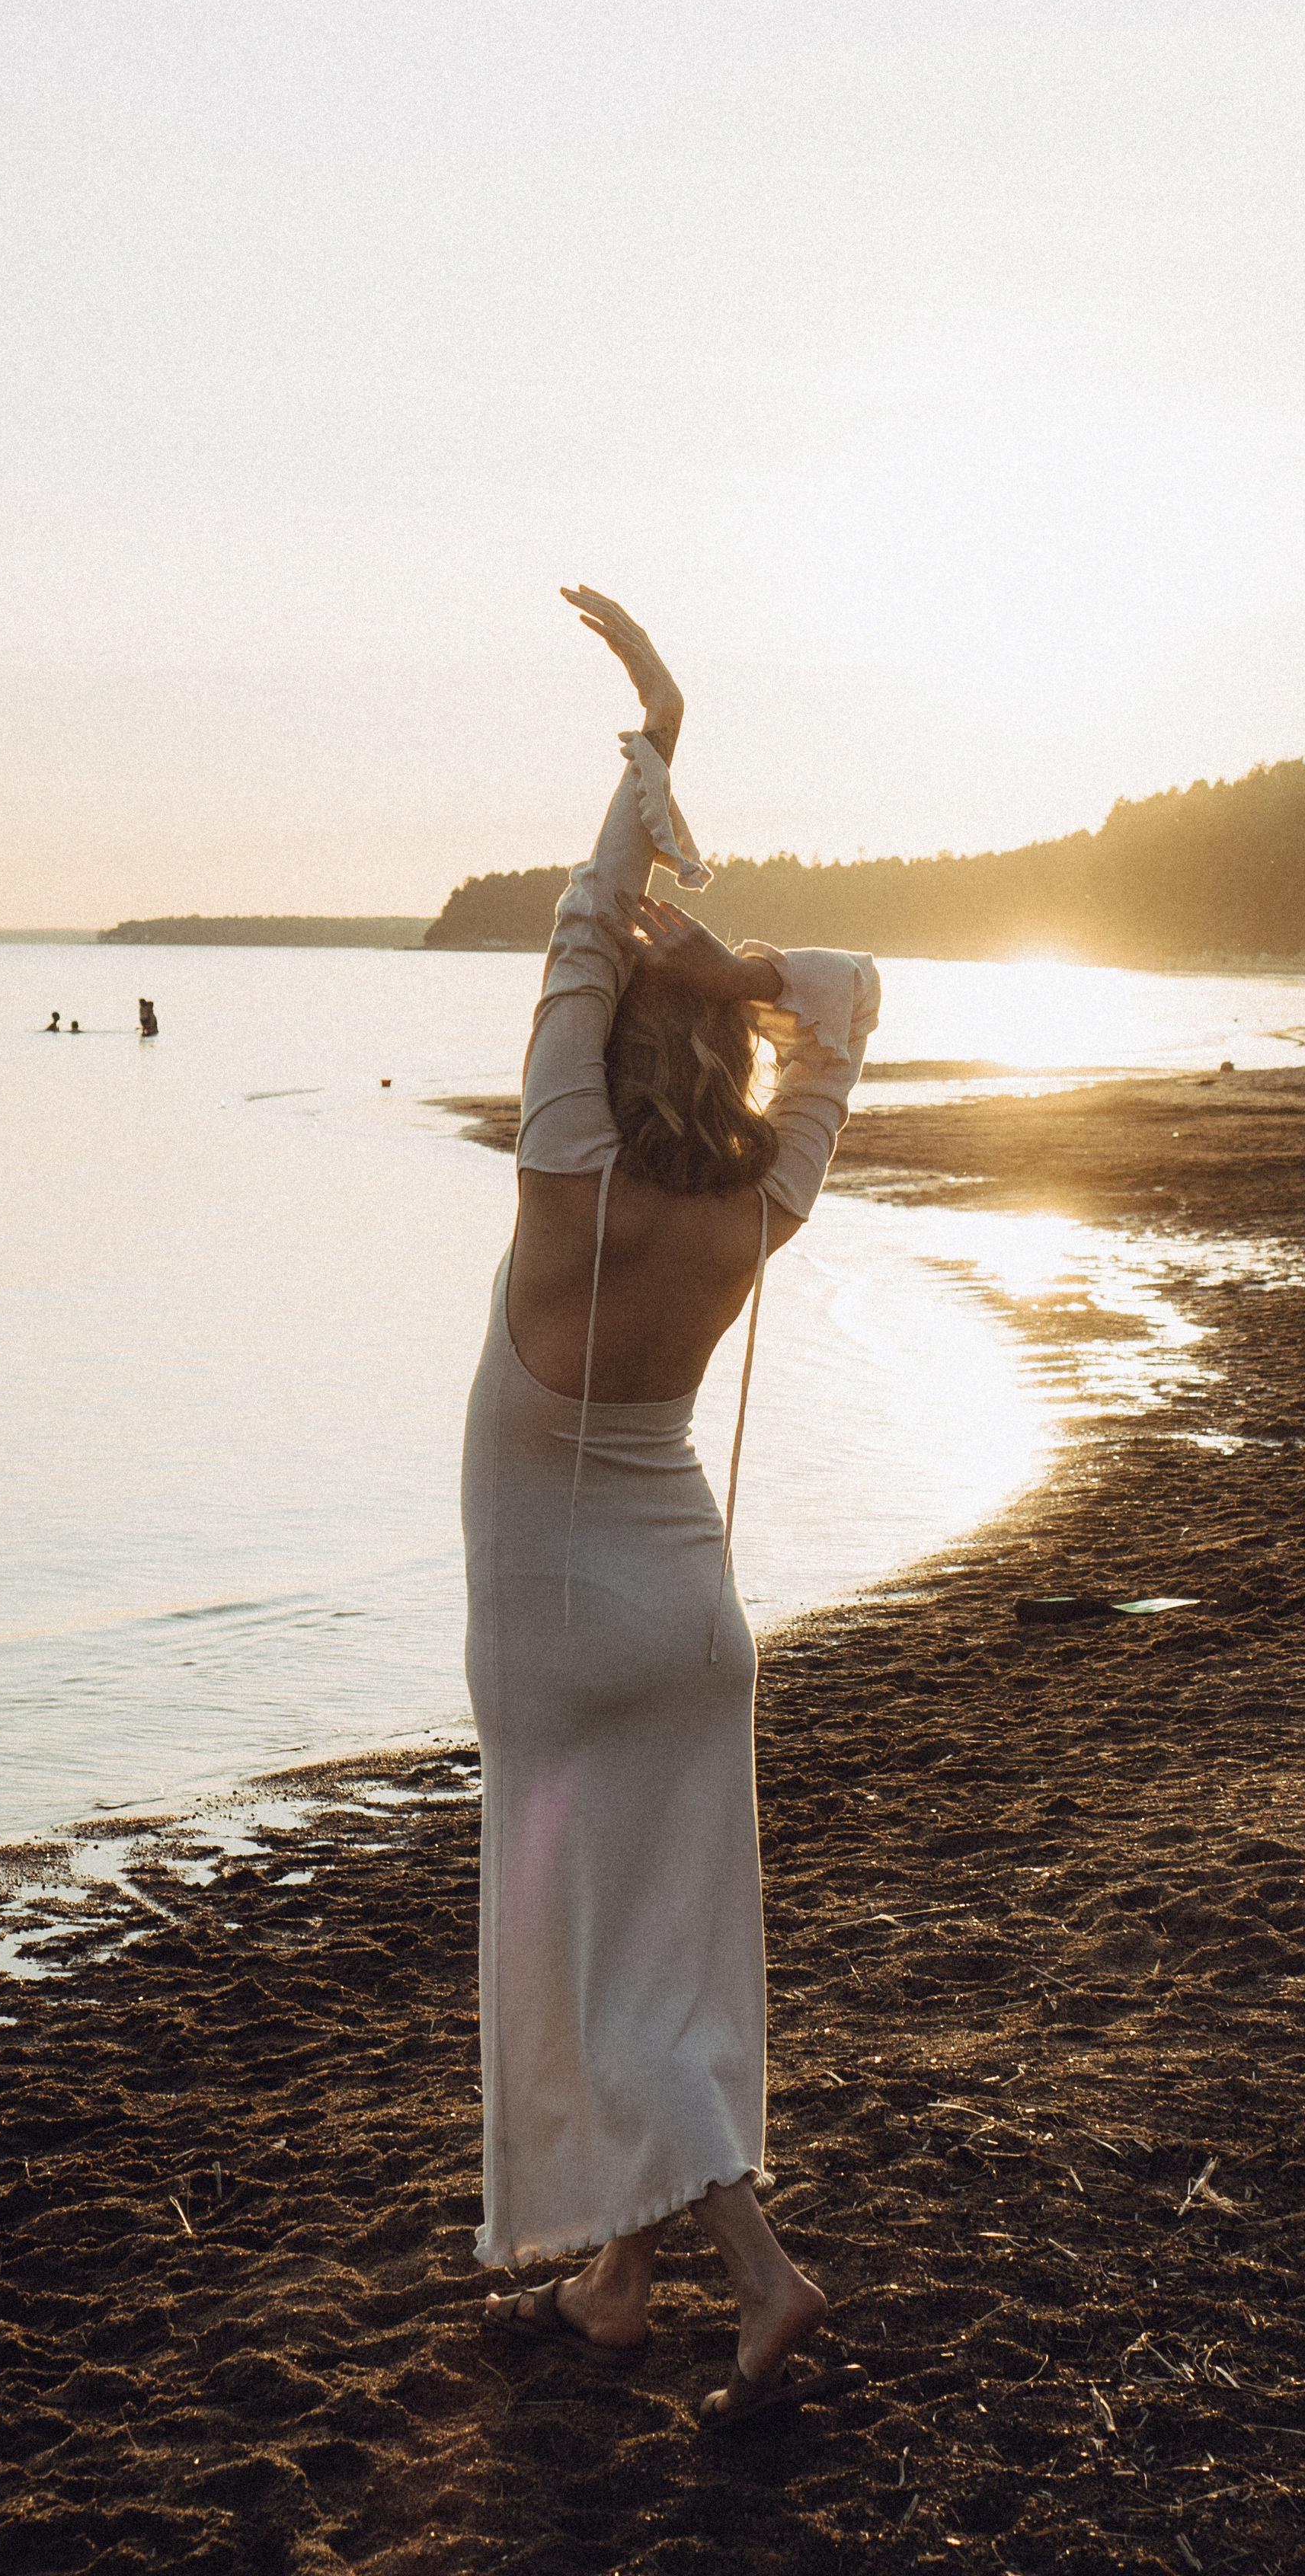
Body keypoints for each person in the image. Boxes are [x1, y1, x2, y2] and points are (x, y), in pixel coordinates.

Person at [465, 585, 879, 2427]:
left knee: (599, 1976)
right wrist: (731, 971)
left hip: (559, 1632)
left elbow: (579, 920)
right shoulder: (755, 1201)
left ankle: (761, 2275)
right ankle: (619, 2287)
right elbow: (852, 1000)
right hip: (692, 1620)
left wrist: (656, 736)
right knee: (667, 1956)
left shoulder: (565, 1165)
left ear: (600, 1044)